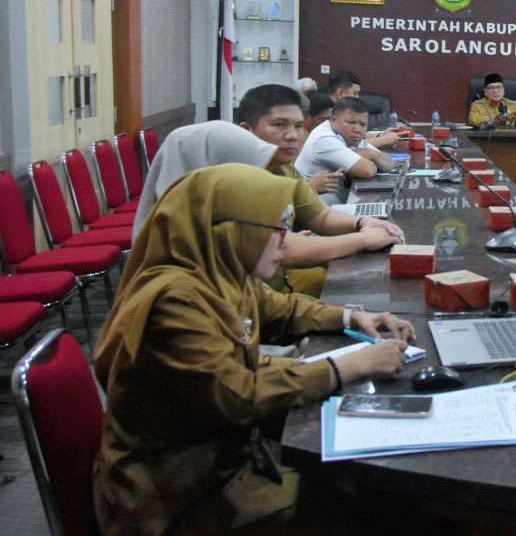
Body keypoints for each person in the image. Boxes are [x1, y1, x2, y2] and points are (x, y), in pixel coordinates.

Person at [93, 164, 415, 536]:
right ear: (232, 231)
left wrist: (350, 316)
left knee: (365, 492)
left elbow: (282, 309)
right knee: (371, 509)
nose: (287, 240)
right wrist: (349, 364)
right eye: (278, 228)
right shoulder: (174, 302)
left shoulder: (221, 271)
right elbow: (238, 395)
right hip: (179, 498)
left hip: (224, 460)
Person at [135, 118, 402, 297]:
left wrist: (345, 317)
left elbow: (267, 306)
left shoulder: (275, 169)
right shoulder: (179, 286)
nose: (293, 137)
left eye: (299, 126)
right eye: (279, 125)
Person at [294, 97, 396, 205]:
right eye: (351, 122)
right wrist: (370, 157)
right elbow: (367, 171)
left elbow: (389, 162)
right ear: (333, 120)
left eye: (363, 124)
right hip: (316, 209)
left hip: (337, 204)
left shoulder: (351, 136)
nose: (357, 129)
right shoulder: (324, 138)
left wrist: (371, 153)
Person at [324, 71, 399, 148]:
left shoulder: (337, 110)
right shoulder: (324, 115)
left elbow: (353, 136)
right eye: (355, 93)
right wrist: (384, 140)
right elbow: (344, 147)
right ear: (341, 93)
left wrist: (381, 134)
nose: (358, 98)